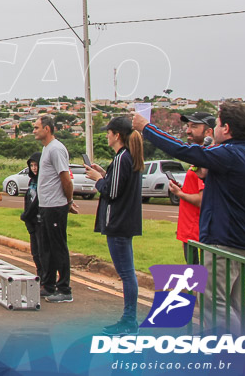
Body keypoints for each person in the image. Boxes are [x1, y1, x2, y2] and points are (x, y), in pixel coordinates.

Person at [133, 102, 245, 333]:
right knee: (230, 303)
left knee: (213, 303)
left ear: (226, 129)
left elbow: (183, 150)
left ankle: (241, 353)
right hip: (241, 241)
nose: (213, 130)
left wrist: (147, 128)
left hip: (224, 242)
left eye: (216, 125)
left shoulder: (229, 153)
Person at [85, 116, 143, 335]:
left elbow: (113, 191)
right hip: (125, 222)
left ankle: (129, 320)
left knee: (127, 274)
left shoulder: (121, 158)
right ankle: (129, 319)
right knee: (128, 273)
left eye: (108, 132)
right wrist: (104, 174)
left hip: (118, 222)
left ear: (117, 135)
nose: (106, 135)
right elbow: (119, 183)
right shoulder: (129, 157)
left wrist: (97, 179)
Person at [33, 115, 78, 303]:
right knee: (47, 248)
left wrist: (69, 201)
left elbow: (65, 178)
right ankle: (49, 285)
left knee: (58, 247)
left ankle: (64, 288)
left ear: (47, 129)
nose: (34, 131)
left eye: (36, 127)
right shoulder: (46, 149)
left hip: (55, 206)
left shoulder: (56, 149)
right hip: (46, 206)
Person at [170, 112, 214, 263]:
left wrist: (179, 193)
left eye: (194, 126)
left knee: (199, 281)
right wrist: (183, 189)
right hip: (189, 231)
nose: (188, 130)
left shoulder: (207, 158)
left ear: (209, 132)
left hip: (196, 233)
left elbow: (202, 199)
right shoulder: (199, 157)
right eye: (188, 126)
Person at [19, 152, 43, 279]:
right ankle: (40, 275)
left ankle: (46, 278)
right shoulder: (32, 181)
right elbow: (28, 199)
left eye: (36, 165)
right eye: (32, 165)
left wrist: (26, 215)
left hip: (40, 220)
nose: (34, 168)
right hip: (31, 221)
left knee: (42, 252)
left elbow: (38, 201)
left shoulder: (43, 181)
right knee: (35, 252)